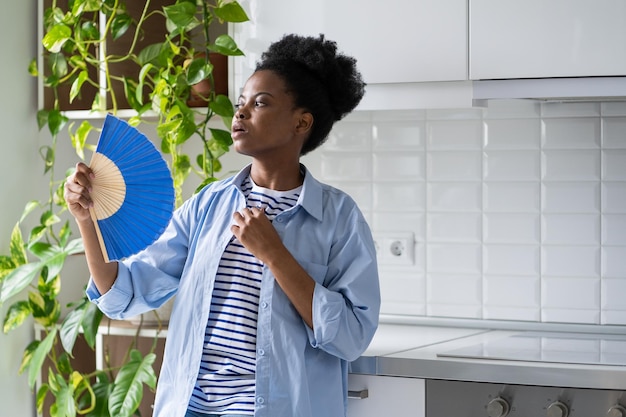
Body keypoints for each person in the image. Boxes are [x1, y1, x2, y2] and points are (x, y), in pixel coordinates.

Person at [64, 33, 380, 417]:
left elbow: (351, 336)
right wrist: (87, 219)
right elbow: (123, 294)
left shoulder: (339, 218)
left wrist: (274, 254)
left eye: (260, 103)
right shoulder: (208, 205)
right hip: (191, 408)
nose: (241, 113)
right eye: (240, 103)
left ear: (302, 122)